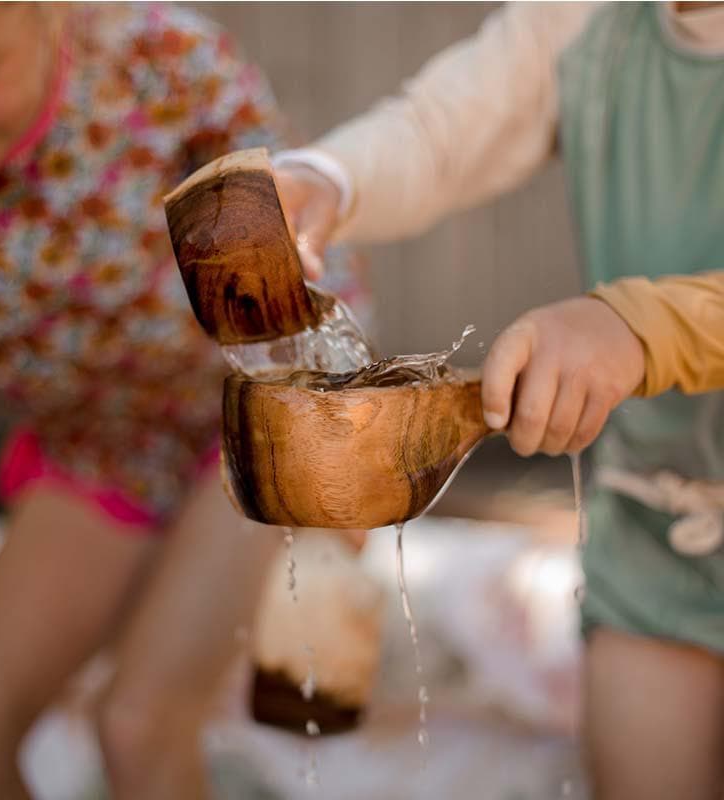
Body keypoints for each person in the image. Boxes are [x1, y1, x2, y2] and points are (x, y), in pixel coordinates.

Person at [273, 3, 724, 799]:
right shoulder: (589, 19)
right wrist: (329, 181)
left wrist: (638, 327)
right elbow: (446, 129)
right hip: (657, 523)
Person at [0, 4, 365, 798]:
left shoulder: (160, 66)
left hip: (257, 410)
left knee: (139, 721)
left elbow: (296, 310)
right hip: (108, 439)